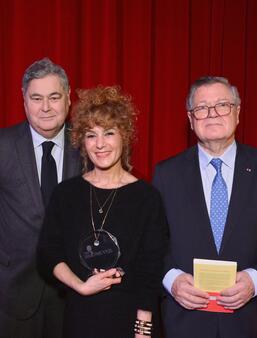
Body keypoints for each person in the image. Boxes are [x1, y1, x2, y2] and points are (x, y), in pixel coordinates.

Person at [38, 85, 167, 338]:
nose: (100, 144)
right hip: (78, 318)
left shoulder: (146, 197)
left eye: (108, 133)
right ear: (81, 142)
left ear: (124, 136)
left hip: (129, 320)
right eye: (90, 135)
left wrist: (143, 331)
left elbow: (150, 272)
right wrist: (81, 286)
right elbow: (47, 253)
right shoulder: (66, 194)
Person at [153, 76, 257, 338]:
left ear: (237, 112)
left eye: (222, 105)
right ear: (190, 119)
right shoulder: (166, 174)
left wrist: (255, 281)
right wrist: (171, 280)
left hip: (249, 320)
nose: (212, 114)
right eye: (201, 108)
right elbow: (152, 243)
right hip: (185, 321)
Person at [0, 58, 81, 338]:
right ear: (24, 101)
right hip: (12, 297)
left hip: (73, 295)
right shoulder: (3, 146)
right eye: (36, 98)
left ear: (69, 99)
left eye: (54, 97)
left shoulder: (90, 146)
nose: (45, 107)